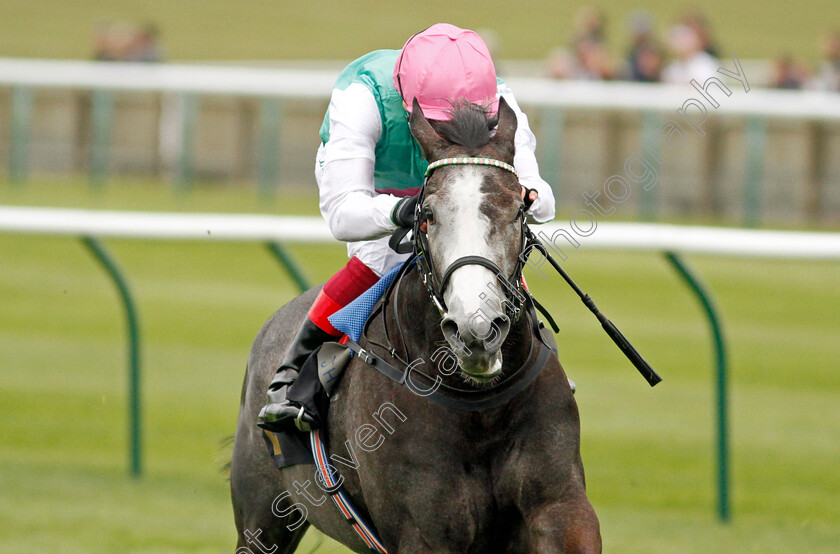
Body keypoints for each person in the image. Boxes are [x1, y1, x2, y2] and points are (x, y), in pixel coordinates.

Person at [258, 23, 556, 432]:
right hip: (381, 185)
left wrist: (530, 196)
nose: (451, 134)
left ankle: (542, 367)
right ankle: (293, 373)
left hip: (459, 187)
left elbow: (541, 194)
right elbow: (343, 215)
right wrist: (402, 211)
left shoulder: (501, 102)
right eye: (439, 124)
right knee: (383, 257)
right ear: (407, 102)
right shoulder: (361, 99)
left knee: (485, 255)